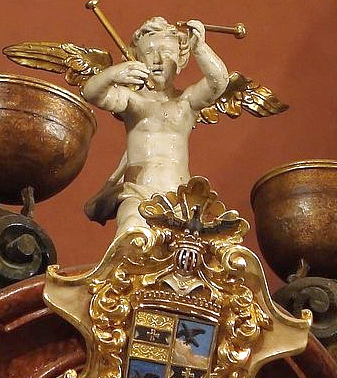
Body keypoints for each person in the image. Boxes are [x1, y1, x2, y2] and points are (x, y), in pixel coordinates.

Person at [80, 18, 229, 236]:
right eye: (149, 53)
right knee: (132, 230)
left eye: (167, 53)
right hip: (137, 193)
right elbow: (92, 93)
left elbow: (219, 82)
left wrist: (200, 49)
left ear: (180, 59)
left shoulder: (186, 102)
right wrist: (113, 74)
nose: (158, 60)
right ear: (137, 58)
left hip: (178, 197)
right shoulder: (132, 101)